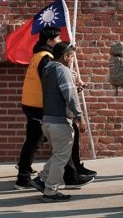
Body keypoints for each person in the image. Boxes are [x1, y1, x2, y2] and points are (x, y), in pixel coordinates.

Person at [34, 42, 87, 201]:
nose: (72, 60)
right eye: (71, 57)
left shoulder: (47, 70)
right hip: (60, 121)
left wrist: (74, 86)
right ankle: (50, 191)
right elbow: (70, 95)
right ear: (65, 56)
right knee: (61, 157)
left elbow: (59, 92)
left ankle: (42, 178)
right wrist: (80, 116)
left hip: (47, 121)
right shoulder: (62, 70)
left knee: (59, 154)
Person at [15, 27, 60, 189]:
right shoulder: (46, 57)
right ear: (49, 41)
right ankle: (23, 178)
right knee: (34, 142)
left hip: (31, 103)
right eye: (57, 39)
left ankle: (24, 170)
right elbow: (48, 82)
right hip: (38, 105)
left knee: (34, 140)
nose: (59, 41)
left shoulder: (37, 55)